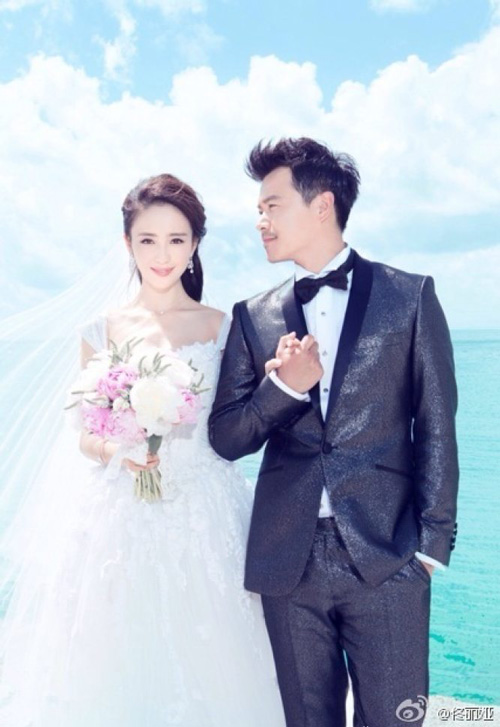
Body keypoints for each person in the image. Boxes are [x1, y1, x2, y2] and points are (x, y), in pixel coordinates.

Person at [0, 174, 285, 727]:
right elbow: (84, 433)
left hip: (206, 513)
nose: (162, 255)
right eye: (148, 240)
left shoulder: (224, 328)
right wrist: (116, 451)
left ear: (195, 244)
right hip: (116, 514)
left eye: (177, 239)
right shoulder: (99, 329)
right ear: (127, 243)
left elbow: (237, 426)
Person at [209, 138, 459, 727]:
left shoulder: (409, 296)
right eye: (258, 209)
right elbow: (227, 438)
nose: (260, 221)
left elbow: (437, 425)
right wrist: (284, 388)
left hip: (387, 555)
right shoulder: (252, 315)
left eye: (272, 206)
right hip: (286, 562)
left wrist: (430, 549)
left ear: (322, 205)